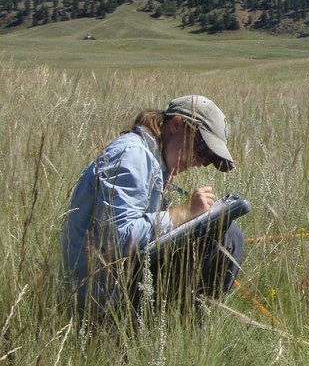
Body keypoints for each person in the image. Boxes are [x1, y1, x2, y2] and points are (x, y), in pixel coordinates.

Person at [60, 95, 244, 322]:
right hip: (101, 301)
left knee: (218, 230)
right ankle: (182, 330)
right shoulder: (133, 155)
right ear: (176, 124)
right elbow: (118, 237)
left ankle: (182, 332)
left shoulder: (150, 160)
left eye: (207, 160)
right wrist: (185, 213)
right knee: (227, 238)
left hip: (116, 284)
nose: (199, 162)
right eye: (201, 149)